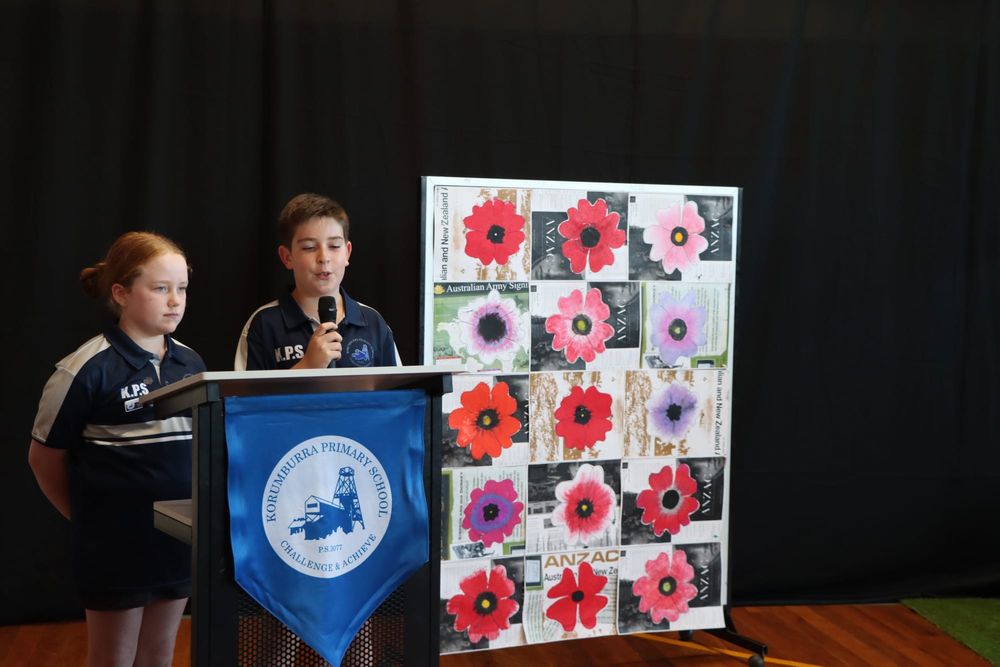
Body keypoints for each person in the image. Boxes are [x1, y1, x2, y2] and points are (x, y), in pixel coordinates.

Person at [28, 231, 205, 667]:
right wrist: (89, 519)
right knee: (113, 659)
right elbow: (43, 458)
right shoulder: (85, 370)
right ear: (121, 292)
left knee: (159, 654)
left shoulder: (192, 364)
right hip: (115, 549)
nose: (174, 300)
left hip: (176, 543)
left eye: (181, 288)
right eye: (160, 288)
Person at [234, 192, 400, 370]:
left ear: (347, 252)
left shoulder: (373, 322)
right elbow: (245, 397)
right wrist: (307, 366)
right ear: (287, 257)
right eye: (309, 247)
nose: (324, 258)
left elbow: (400, 394)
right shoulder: (263, 324)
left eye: (335, 246)